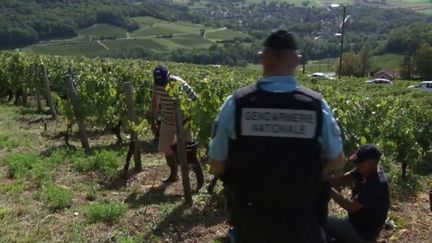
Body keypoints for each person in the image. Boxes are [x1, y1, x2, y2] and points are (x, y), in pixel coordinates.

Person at [209, 30, 345, 243]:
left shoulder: (236, 104)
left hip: (251, 221)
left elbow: (217, 163)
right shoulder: (316, 106)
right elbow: (337, 159)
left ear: (262, 58)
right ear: (296, 61)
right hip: (301, 221)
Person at [151, 65, 204, 191]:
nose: (162, 86)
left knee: (189, 152)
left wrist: (190, 118)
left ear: (168, 76)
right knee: (166, 149)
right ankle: (174, 174)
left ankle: (201, 184)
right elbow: (155, 102)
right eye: (159, 83)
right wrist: (153, 121)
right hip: (167, 121)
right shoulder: (157, 85)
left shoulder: (180, 84)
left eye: (164, 82)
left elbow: (195, 100)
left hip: (183, 122)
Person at [325, 144, 390, 243]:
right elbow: (342, 179)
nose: (356, 165)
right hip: (354, 223)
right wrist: (321, 179)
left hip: (362, 233)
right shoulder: (364, 170)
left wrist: (327, 189)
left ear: (370, 163)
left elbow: (351, 207)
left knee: (321, 221)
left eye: (360, 162)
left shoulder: (377, 184)